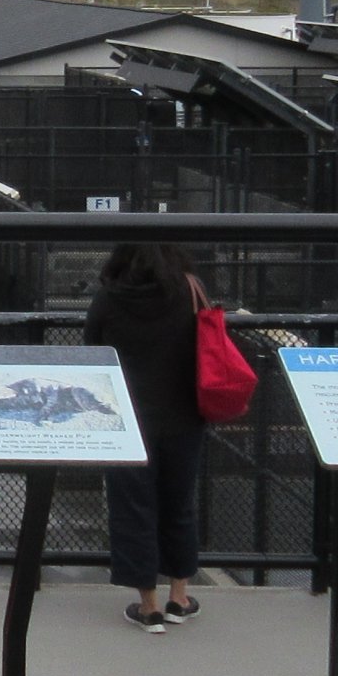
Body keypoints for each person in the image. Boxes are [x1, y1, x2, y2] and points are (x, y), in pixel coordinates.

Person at [82, 243, 208, 631]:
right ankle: (179, 597)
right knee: (179, 503)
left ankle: (147, 604)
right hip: (184, 413)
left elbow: (92, 347)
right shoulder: (189, 289)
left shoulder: (110, 297)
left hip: (127, 416)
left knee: (133, 507)